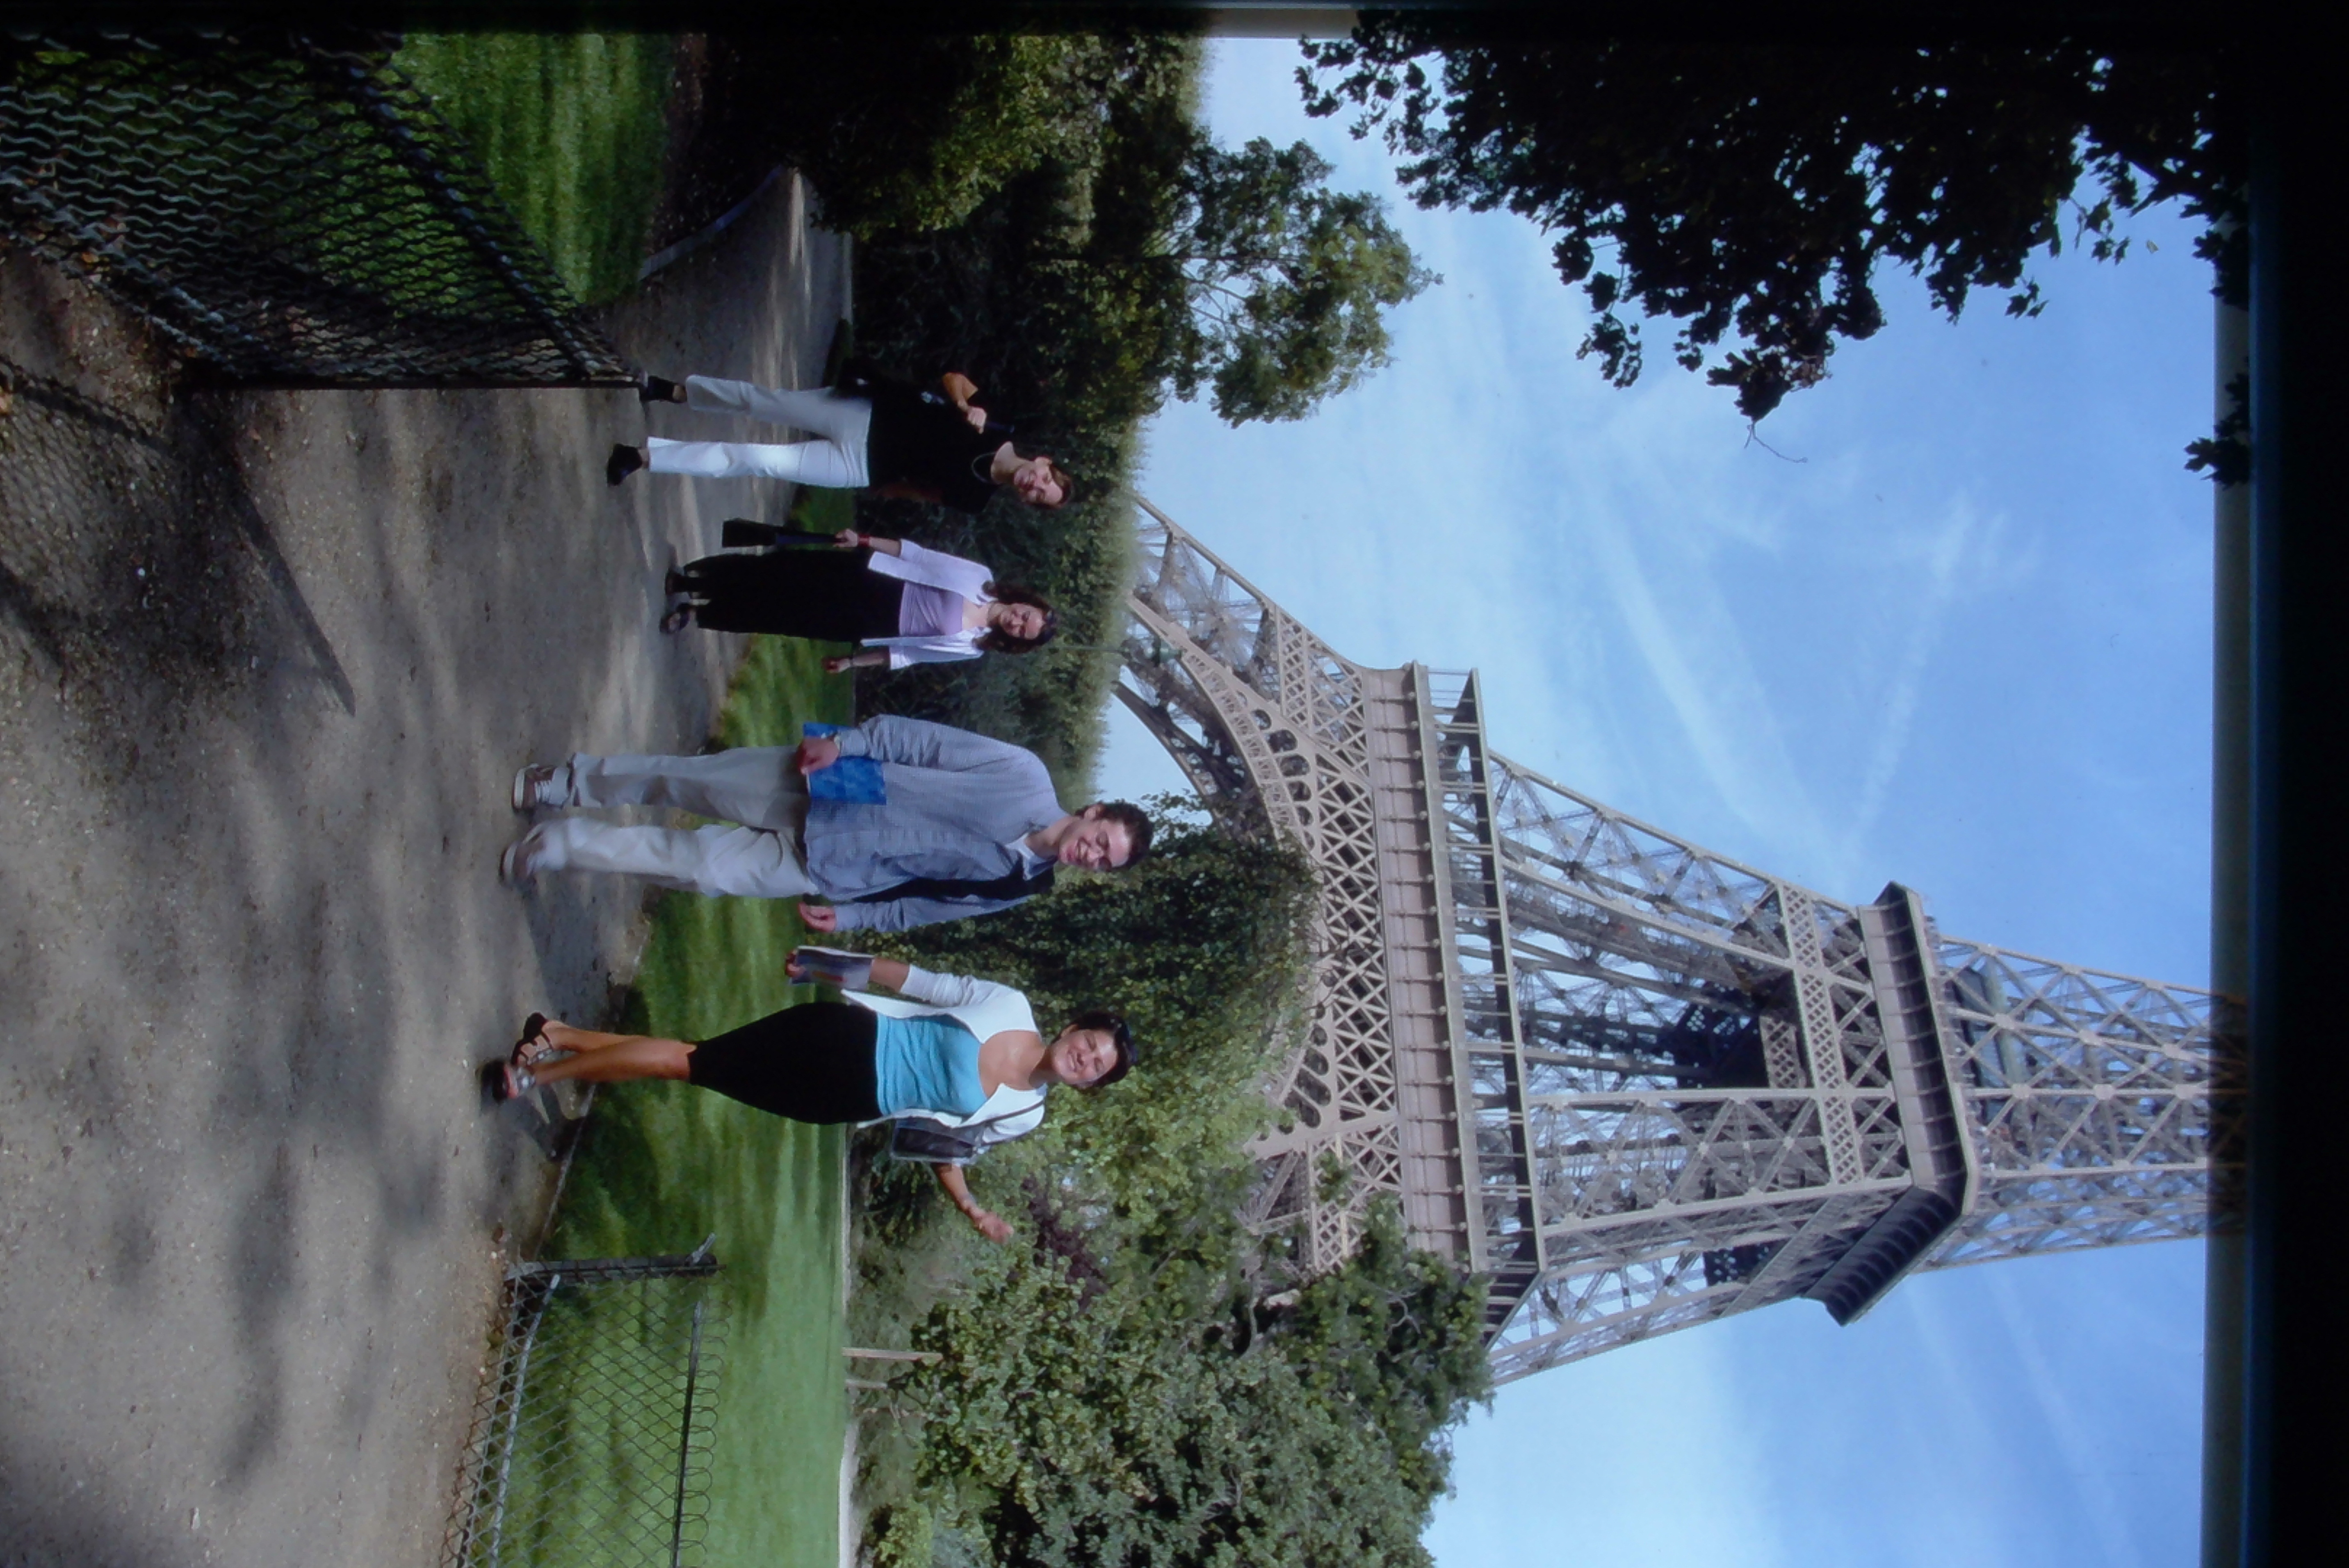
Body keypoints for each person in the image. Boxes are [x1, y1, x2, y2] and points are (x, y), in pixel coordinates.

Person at [489, 956, 1135, 1243]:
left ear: (1088, 1087)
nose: (1086, 1059)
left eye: (1096, 1069)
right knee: (692, 1063)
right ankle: (538, 1077)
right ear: (1075, 1027)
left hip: (842, 1099)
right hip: (845, 1037)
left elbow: (948, 1149)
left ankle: (559, 1037)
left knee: (693, 1060)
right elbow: (917, 981)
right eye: (1091, 1044)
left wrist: (971, 1209)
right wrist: (830, 964)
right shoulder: (1010, 1006)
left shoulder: (1027, 1114)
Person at [498, 715, 1153, 932]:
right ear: (1094, 812)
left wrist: (855, 918)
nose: (1092, 856)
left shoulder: (1021, 885)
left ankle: (557, 846)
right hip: (828, 790)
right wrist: (846, 741)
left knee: (694, 868)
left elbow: (926, 908)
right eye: (1102, 842)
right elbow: (924, 744)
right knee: (683, 780)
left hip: (834, 867)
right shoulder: (1024, 775)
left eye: (1105, 863)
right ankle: (568, 781)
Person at [604, 366, 1073, 515]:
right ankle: (673, 390)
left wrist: (892, 489)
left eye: (1038, 494)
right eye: (1044, 479)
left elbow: (931, 492)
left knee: (758, 461)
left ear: (1027, 500)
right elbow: (952, 378)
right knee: (764, 402)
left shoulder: (977, 499)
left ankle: (644, 457)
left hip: (861, 466)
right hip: (865, 414)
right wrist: (966, 405)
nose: (1034, 484)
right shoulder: (1000, 424)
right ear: (1045, 462)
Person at [659, 527, 1058, 668]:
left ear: (1016, 641)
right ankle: (696, 579)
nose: (1017, 622)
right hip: (873, 578)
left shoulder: (973, 648)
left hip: (869, 622)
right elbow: (917, 554)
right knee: (781, 574)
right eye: (1026, 615)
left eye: (1023, 631)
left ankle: (699, 612)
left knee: (780, 614)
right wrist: (863, 539)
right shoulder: (980, 577)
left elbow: (907, 656)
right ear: (1025, 601)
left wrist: (853, 661)